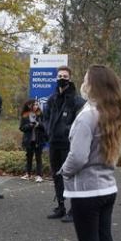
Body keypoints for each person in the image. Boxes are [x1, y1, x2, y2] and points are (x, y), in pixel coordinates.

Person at [60, 65, 121, 241]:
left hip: (86, 192)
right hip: (107, 187)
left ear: (94, 85)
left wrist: (63, 172)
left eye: (86, 79)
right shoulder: (114, 112)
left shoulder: (88, 115)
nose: (83, 82)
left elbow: (77, 156)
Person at [44, 66, 85, 222]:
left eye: (65, 76)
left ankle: (74, 210)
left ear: (70, 78)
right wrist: (49, 130)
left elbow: (80, 123)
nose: (62, 78)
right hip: (53, 143)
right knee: (57, 176)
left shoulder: (77, 100)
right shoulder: (52, 99)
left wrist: (67, 131)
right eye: (60, 75)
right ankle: (60, 206)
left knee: (71, 176)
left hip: (69, 145)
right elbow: (45, 118)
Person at [19, 99, 45, 182]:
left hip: (38, 139)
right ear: (29, 105)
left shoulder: (40, 114)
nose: (35, 106)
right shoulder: (25, 115)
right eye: (34, 105)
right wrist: (29, 125)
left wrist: (39, 124)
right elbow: (22, 128)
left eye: (37, 105)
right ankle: (28, 174)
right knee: (29, 157)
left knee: (38, 157)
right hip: (29, 140)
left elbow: (45, 126)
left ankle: (39, 175)